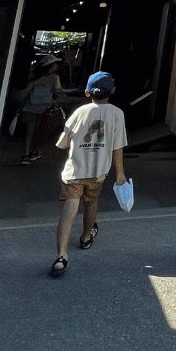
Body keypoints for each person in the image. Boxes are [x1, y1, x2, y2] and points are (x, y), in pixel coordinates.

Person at [50, 70, 127, 276]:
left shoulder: (79, 113)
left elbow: (62, 144)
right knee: (91, 202)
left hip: (75, 170)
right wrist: (120, 173)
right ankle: (86, 236)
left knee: (70, 207)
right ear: (113, 91)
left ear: (87, 93)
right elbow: (117, 147)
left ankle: (61, 256)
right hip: (98, 172)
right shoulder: (117, 114)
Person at [15, 58, 64, 165]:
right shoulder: (54, 78)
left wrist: (19, 108)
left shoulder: (34, 78)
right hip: (45, 110)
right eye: (55, 64)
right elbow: (57, 92)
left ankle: (26, 155)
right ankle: (35, 151)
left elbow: (26, 94)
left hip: (30, 107)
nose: (57, 66)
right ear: (51, 66)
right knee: (41, 132)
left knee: (29, 133)